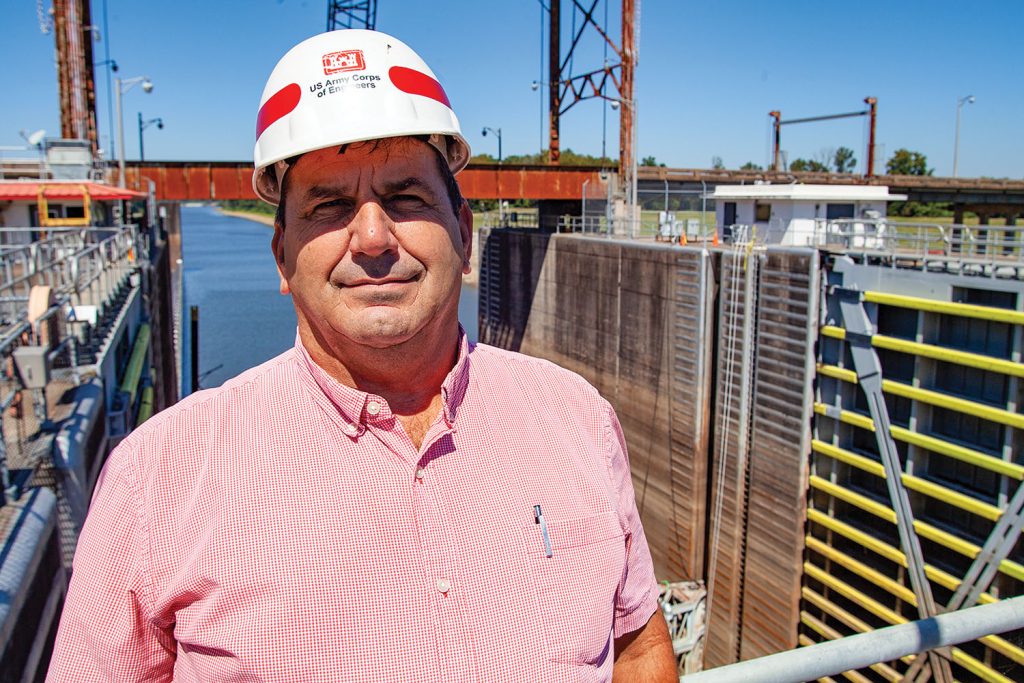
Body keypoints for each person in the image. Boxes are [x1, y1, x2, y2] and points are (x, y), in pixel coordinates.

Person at [47, 29, 676, 681]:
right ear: (282, 256)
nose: (374, 237)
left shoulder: (576, 418)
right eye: (330, 205)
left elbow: (638, 645)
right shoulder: (157, 479)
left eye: (406, 197)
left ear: (464, 234)